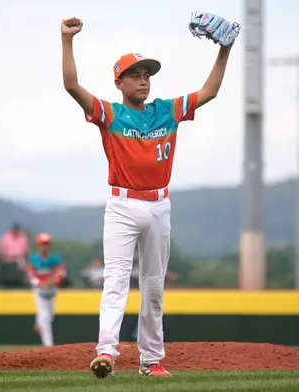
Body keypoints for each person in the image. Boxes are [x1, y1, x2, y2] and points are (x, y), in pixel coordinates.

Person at [60, 16, 234, 378]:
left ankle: (151, 360)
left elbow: (210, 91)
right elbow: (72, 84)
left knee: (154, 287)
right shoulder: (109, 113)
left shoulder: (166, 110)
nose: (143, 80)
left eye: (147, 75)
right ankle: (106, 352)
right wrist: (67, 41)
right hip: (123, 205)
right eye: (135, 75)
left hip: (159, 205)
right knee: (116, 281)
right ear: (119, 81)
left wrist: (225, 49)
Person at [27, 233, 66, 347]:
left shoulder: (54, 259)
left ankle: (39, 322)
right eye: (43, 244)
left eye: (47, 244)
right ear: (38, 245)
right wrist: (39, 283)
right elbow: (30, 275)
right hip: (39, 291)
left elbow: (61, 273)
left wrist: (49, 282)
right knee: (45, 317)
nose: (45, 246)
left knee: (49, 316)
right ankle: (48, 346)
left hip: (51, 290)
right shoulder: (34, 259)